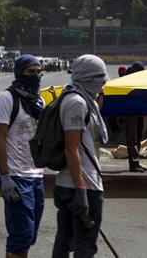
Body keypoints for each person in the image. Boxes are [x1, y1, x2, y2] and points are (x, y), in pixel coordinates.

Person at [51, 54, 109, 258]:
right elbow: (71, 148)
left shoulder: (83, 99)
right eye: (99, 76)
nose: (104, 81)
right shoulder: (77, 103)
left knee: (64, 242)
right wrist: (81, 189)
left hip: (74, 184)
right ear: (86, 76)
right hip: (82, 185)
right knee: (85, 246)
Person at [0, 55, 45, 258]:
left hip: (36, 175)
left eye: (39, 72)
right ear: (19, 73)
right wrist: (5, 177)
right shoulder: (6, 99)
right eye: (31, 72)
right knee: (21, 235)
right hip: (15, 175)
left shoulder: (39, 101)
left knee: (30, 236)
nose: (36, 76)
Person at [122, 62, 147, 172]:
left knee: (138, 138)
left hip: (138, 111)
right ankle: (133, 164)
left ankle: (136, 162)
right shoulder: (128, 79)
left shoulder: (138, 78)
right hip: (131, 112)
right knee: (132, 138)